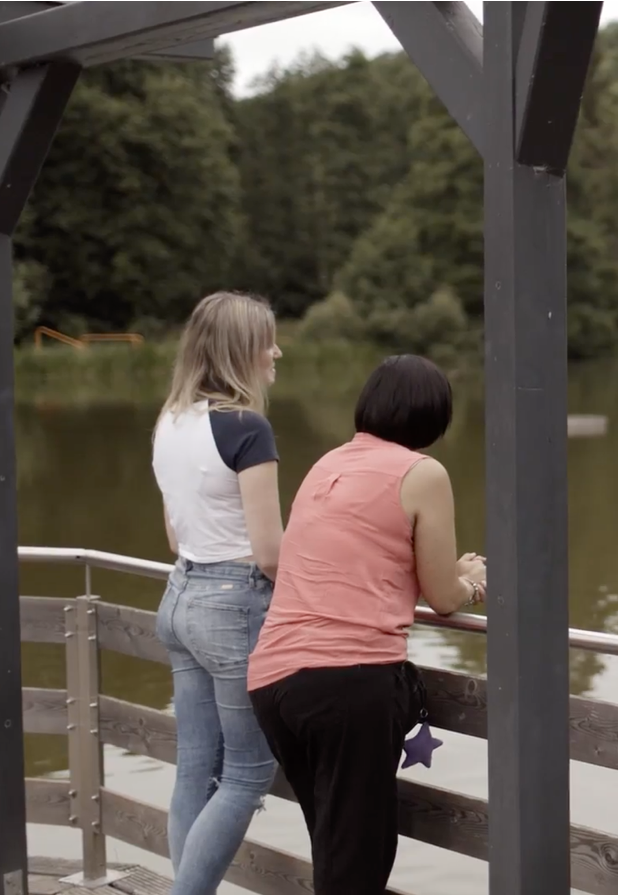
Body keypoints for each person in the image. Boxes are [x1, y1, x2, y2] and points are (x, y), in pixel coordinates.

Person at [247, 354, 489, 896]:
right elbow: (444, 598)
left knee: (337, 848)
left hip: (274, 680)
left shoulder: (327, 464)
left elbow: (362, 563)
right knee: (358, 859)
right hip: (346, 681)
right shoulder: (423, 473)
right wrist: (474, 581)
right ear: (434, 416)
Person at [151, 290, 285, 896]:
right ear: (241, 352)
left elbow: (174, 531)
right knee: (248, 774)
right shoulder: (247, 429)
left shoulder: (170, 419)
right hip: (233, 608)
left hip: (180, 599)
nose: (276, 351)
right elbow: (271, 554)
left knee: (195, 767)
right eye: (267, 341)